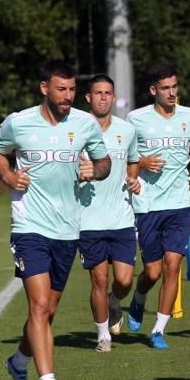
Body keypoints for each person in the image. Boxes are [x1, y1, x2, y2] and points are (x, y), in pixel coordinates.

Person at [0, 60, 111, 380]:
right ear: (44, 88)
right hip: (29, 227)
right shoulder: (18, 122)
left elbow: (104, 163)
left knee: (48, 311)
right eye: (61, 89)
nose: (68, 96)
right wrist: (8, 177)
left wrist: (94, 170)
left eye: (72, 89)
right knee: (39, 305)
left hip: (68, 229)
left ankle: (18, 363)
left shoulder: (85, 123)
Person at [125, 62, 190, 349]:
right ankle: (138, 298)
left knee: (173, 266)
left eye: (174, 86)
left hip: (180, 203)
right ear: (153, 90)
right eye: (165, 88)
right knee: (153, 272)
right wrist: (142, 162)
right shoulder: (135, 119)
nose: (172, 93)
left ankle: (158, 330)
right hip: (147, 203)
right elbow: (124, 155)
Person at [76, 74, 139, 351]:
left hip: (122, 217)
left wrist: (133, 179)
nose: (103, 97)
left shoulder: (127, 130)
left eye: (107, 93)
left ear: (114, 98)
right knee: (99, 279)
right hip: (88, 219)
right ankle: (103, 336)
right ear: (88, 97)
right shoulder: (76, 130)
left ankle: (115, 302)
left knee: (124, 280)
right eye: (97, 93)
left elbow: (133, 161)